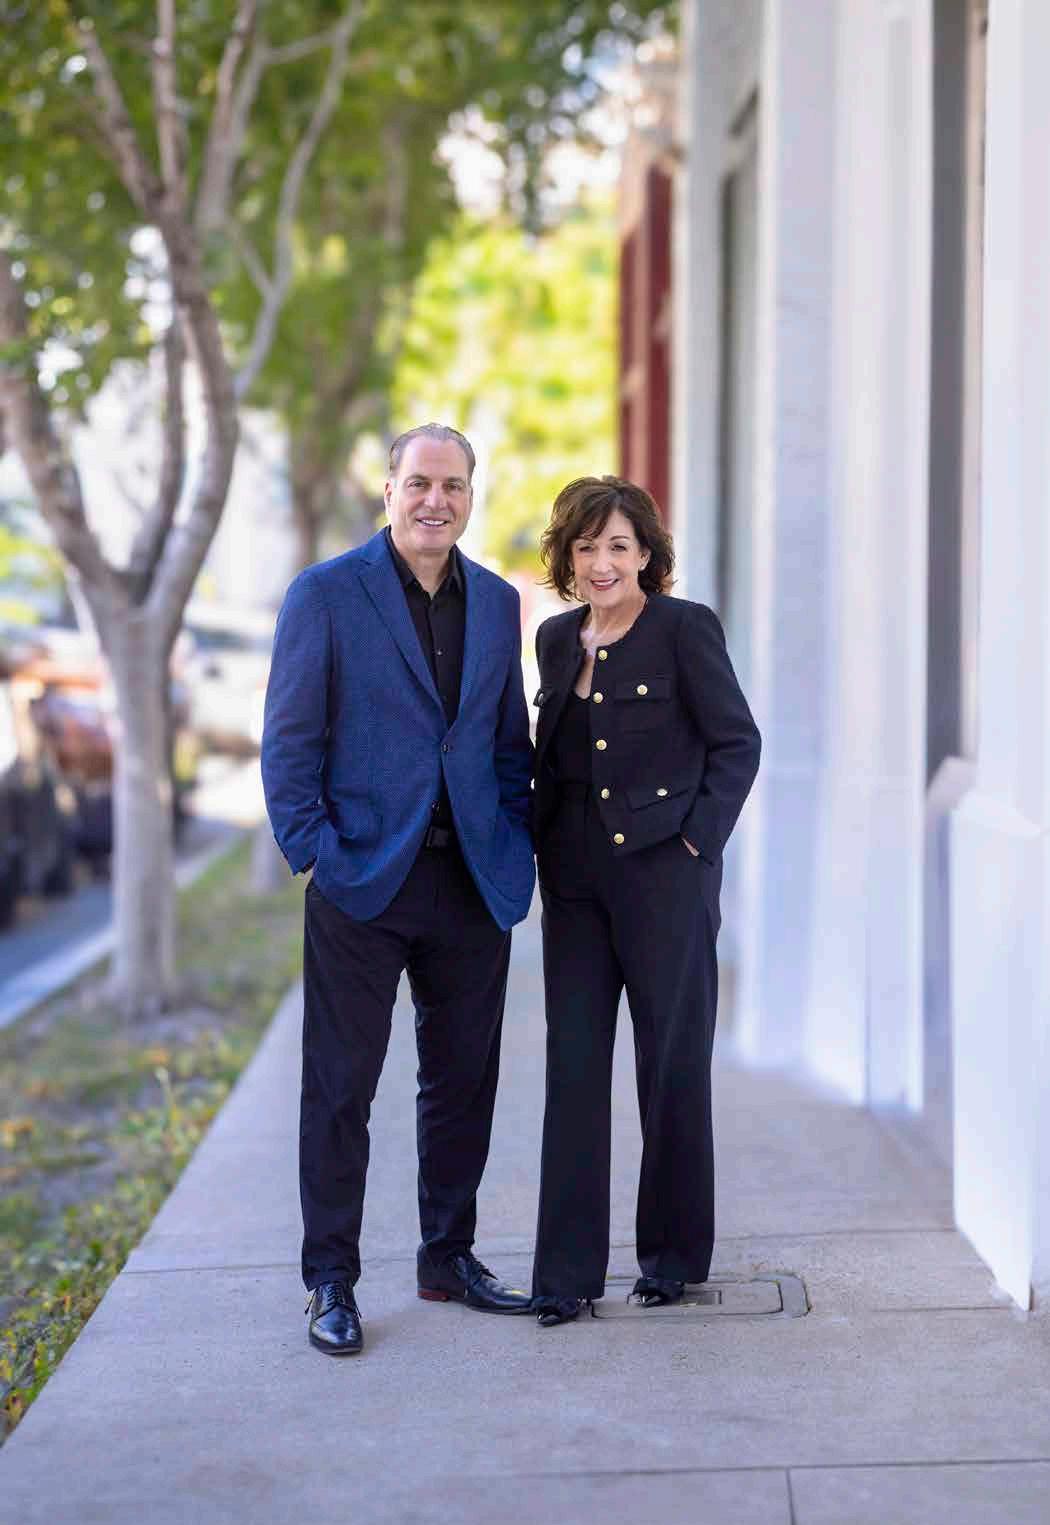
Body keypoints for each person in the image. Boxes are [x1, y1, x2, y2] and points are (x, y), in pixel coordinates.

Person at [261, 423, 535, 1356]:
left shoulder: (497, 603)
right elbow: (289, 742)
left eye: (453, 485)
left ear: (471, 497)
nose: (436, 501)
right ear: (389, 491)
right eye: (420, 482)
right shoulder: (326, 594)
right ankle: (330, 1279)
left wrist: (512, 844)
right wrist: (317, 853)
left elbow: (506, 744)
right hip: (362, 881)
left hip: (471, 881)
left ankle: (447, 1256)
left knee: (462, 1083)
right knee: (341, 1088)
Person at [529, 475, 761, 1326]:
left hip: (667, 878)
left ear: (645, 554)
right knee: (573, 1070)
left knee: (670, 1066)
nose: (602, 562)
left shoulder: (683, 629)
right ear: (567, 556)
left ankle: (670, 1259)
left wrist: (698, 844)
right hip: (575, 887)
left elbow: (737, 743)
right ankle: (565, 1276)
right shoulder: (555, 639)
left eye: (618, 546)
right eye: (587, 546)